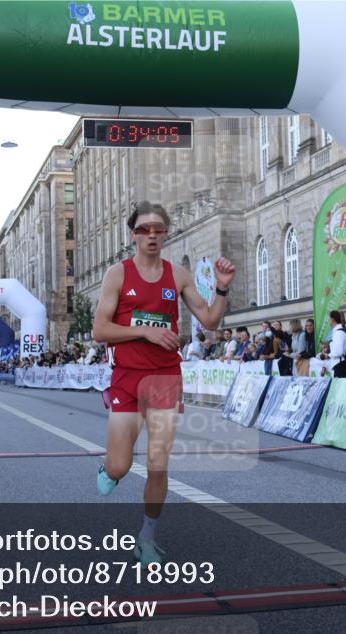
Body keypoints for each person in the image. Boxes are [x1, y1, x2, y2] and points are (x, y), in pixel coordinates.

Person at [92, 201, 236, 567]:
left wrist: (221, 290)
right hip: (126, 379)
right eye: (144, 229)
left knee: (158, 465)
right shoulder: (117, 274)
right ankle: (108, 469)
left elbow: (211, 321)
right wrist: (146, 331)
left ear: (166, 233)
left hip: (164, 379)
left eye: (158, 229)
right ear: (133, 235)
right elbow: (99, 331)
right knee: (120, 467)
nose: (152, 235)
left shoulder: (179, 276)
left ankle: (147, 537)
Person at [327, 310, 346, 377]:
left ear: (332, 319)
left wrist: (328, 355)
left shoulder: (338, 332)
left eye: (329, 318)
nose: (329, 320)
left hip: (340, 365)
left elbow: (339, 352)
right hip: (341, 365)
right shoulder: (339, 331)